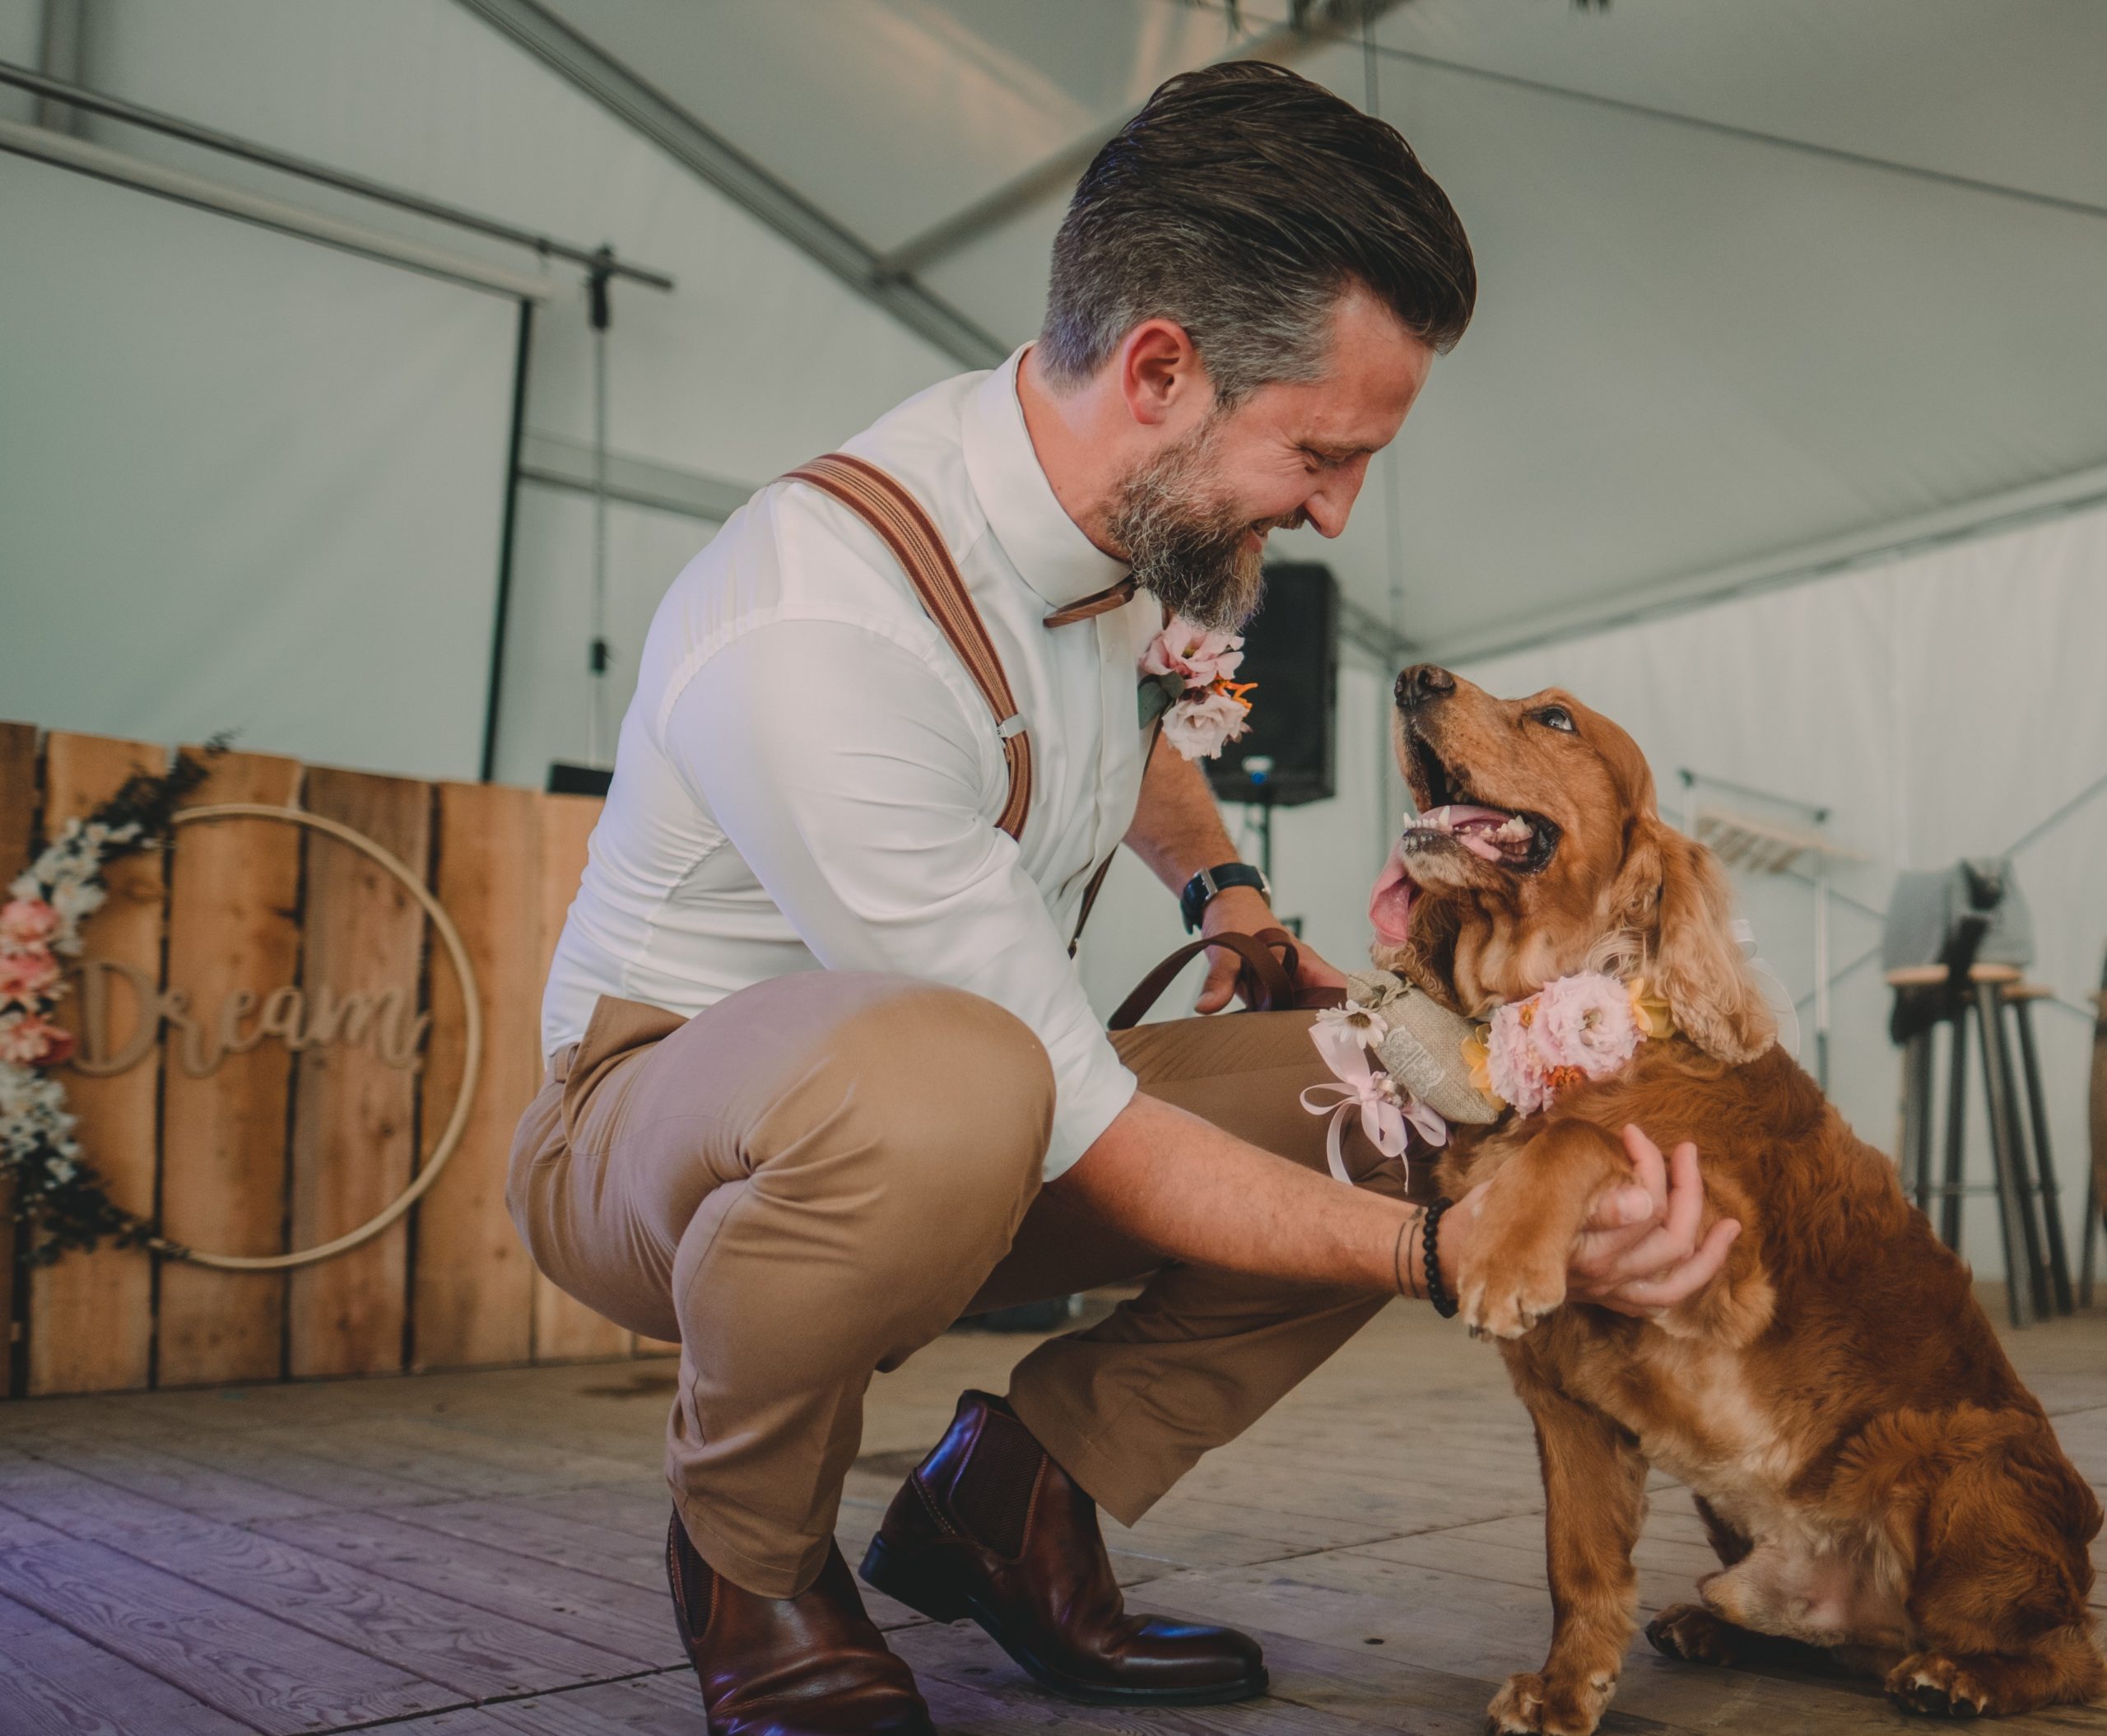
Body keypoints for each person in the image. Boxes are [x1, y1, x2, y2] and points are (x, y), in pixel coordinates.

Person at [511, 61, 1736, 1736]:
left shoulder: (1097, 516)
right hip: (651, 1126)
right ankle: (750, 1555)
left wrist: (1228, 897)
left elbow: (1122, 739)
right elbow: (1072, 1114)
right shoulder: (819, 625)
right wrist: (1450, 1252)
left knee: (1380, 1085)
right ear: (1159, 364)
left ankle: (1016, 1492)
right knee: (949, 1075)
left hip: (970, 1100)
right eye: (1319, 450)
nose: (1331, 509)